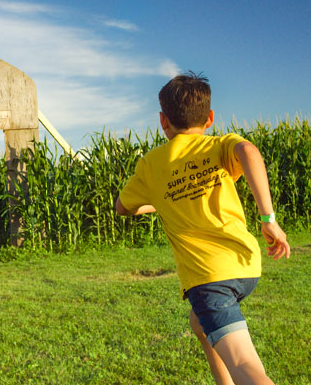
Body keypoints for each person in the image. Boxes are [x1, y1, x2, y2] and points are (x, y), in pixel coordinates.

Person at [116, 72, 291, 385]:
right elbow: (248, 152)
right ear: (209, 118)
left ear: (162, 121)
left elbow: (123, 207)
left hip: (210, 278)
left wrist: (161, 198)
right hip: (246, 265)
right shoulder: (219, 146)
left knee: (246, 367)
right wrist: (269, 220)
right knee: (199, 323)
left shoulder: (151, 164)